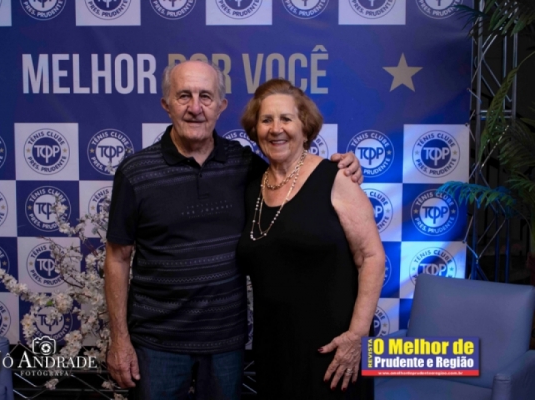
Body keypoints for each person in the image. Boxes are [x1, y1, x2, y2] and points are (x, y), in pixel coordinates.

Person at [103, 61, 363, 400]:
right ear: (166, 104)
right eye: (184, 96)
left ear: (221, 106)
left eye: (205, 97)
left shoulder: (246, 165)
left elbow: (294, 177)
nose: (195, 107)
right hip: (157, 345)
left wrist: (344, 168)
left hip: (227, 344)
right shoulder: (135, 172)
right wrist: (119, 340)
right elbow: (117, 258)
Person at [237, 78, 385, 399]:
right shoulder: (250, 186)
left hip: (335, 348)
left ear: (305, 127)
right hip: (274, 348)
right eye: (266, 120)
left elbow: (372, 257)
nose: (276, 129)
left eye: (286, 119)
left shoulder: (337, 178)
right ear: (255, 129)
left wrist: (357, 336)